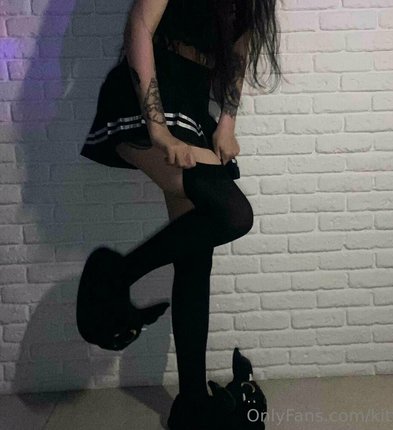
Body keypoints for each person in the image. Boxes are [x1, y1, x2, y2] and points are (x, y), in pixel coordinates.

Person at [77, 0, 283, 428]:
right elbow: (139, 26)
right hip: (148, 93)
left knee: (195, 258)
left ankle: (190, 404)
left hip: (192, 102)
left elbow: (239, 50)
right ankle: (114, 277)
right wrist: (157, 129)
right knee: (232, 214)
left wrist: (227, 123)